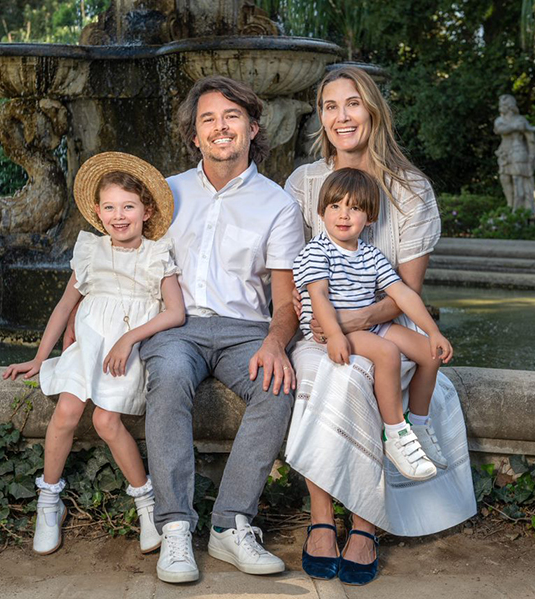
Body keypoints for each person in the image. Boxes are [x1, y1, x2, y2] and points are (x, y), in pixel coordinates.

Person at [283, 66, 477, 585]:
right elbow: (293, 272)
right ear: (320, 117)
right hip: (319, 328)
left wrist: (358, 321)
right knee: (336, 374)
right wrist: (321, 323)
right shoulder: (304, 183)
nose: (340, 116)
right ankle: (321, 518)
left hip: (375, 325)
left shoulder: (410, 190)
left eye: (352, 103)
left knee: (366, 371)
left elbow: (404, 289)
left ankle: (365, 523)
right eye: (329, 106)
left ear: (372, 110)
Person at [140, 75, 305, 584]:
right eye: (208, 119)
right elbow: (120, 261)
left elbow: (286, 298)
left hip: (245, 330)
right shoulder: (165, 194)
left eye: (231, 117)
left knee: (277, 386)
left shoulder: (278, 204)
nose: (220, 127)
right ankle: (173, 528)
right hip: (176, 326)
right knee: (166, 380)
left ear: (253, 127)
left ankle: (231, 524)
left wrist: (277, 344)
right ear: (195, 135)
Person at [2, 152, 185, 557]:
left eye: (128, 207)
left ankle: (145, 504)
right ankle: (50, 502)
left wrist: (129, 338)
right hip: (89, 346)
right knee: (67, 412)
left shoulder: (157, 255)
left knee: (105, 420)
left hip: (126, 349)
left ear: (146, 210)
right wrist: (39, 357)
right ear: (98, 212)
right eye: (110, 207)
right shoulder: (90, 251)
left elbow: (176, 312)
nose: (119, 216)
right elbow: (65, 307)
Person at [293, 167, 454, 484]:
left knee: (430, 354)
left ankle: (417, 425)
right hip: (329, 329)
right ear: (321, 211)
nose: (343, 214)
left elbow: (404, 295)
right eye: (335, 206)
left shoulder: (371, 255)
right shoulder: (317, 250)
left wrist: (433, 331)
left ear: (369, 218)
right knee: (387, 353)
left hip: (365, 325)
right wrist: (337, 334)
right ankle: (394, 434)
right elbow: (320, 296)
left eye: (354, 207)